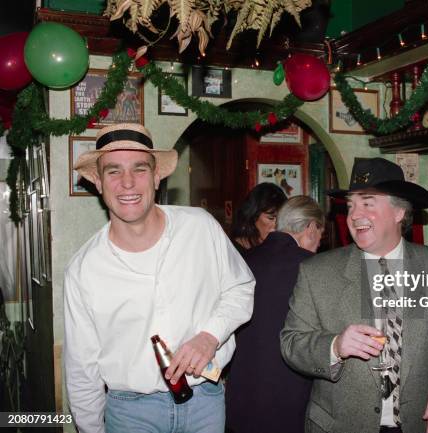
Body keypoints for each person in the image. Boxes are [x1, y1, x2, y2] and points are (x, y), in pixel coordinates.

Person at [64, 123, 255, 433]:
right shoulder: (84, 270)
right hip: (130, 414)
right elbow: (81, 371)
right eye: (113, 171)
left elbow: (241, 288)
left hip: (205, 402)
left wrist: (211, 335)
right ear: (98, 182)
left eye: (139, 169)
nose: (128, 183)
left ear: (156, 176)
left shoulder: (200, 228)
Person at [281, 157, 428, 433]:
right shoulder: (316, 272)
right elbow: (291, 343)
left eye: (367, 203)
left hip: (420, 423)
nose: (354, 215)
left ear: (399, 211)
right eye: (351, 205)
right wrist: (335, 346)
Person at [226, 195, 325, 433]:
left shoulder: (241, 260)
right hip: (290, 400)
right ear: (310, 228)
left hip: (239, 398)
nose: (320, 243)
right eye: (321, 235)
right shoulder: (315, 268)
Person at [230, 182, 287, 255]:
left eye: (281, 218)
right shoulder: (233, 252)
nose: (277, 225)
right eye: (271, 218)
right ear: (253, 216)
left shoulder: (280, 248)